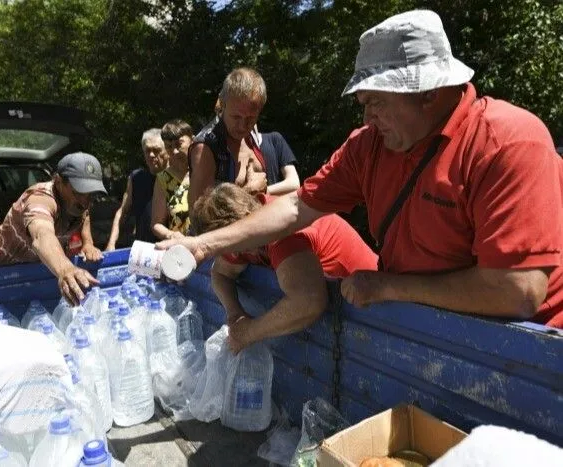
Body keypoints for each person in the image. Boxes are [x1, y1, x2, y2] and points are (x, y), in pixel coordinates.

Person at [159, 9, 563, 329]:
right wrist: (204, 245)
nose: (366, 116)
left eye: (375, 101)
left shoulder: (508, 143)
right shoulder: (368, 146)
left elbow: (517, 292)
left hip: (534, 357)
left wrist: (387, 285)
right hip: (427, 330)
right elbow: (296, 207)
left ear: (428, 92)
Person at [192, 183, 378, 353]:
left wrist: (247, 333)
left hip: (378, 313)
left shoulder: (283, 235)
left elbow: (309, 301)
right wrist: (235, 313)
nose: (230, 253)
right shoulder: (245, 234)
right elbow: (220, 273)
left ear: (241, 226)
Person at [0, 152, 106, 305]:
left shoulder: (79, 203)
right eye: (79, 192)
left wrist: (88, 243)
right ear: (58, 181)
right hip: (1, 277)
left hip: (44, 271)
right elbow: (41, 235)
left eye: (91, 194)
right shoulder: (39, 199)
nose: (85, 201)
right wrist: (66, 269)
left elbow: (85, 214)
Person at [187, 67, 300, 208]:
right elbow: (198, 213)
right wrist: (248, 192)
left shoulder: (251, 133)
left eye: (251, 118)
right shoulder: (205, 148)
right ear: (223, 105)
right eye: (236, 117)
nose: (242, 126)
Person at [105, 128, 168, 250]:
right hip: (143, 251)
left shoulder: (176, 179)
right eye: (147, 151)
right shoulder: (136, 178)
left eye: (156, 150)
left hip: (170, 250)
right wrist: (111, 244)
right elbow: (122, 212)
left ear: (167, 151)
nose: (151, 155)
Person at [151, 119, 194, 240]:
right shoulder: (163, 180)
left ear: (193, 140)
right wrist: (170, 235)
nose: (174, 151)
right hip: (181, 251)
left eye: (178, 144)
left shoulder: (206, 169)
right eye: (169, 147)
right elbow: (156, 224)